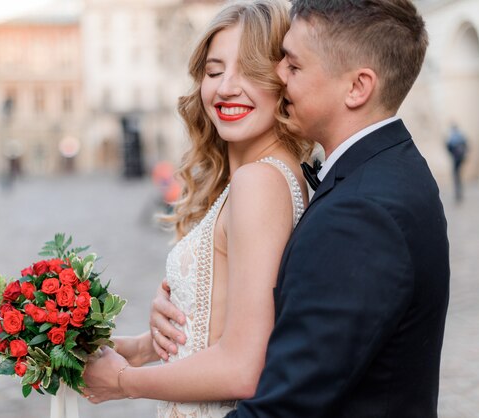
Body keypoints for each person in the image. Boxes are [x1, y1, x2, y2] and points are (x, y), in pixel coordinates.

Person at [151, 1, 450, 417]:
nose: (279, 77)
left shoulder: (361, 211)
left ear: (357, 87)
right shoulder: (378, 173)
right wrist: (183, 318)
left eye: (292, 66)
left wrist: (120, 381)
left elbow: (287, 402)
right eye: (214, 71)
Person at [82, 1, 313, 416]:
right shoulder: (264, 176)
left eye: (250, 70)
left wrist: (122, 382)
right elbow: (224, 323)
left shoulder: (259, 182)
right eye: (214, 70)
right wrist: (138, 349)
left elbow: (244, 366)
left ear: (284, 80)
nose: (226, 87)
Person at [446, 123, 468, 203]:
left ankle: (457, 193)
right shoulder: (461, 136)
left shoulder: (452, 136)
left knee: (456, 176)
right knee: (458, 176)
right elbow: (466, 146)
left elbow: (448, 146)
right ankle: (459, 193)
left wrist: (452, 154)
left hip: (456, 159)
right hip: (460, 158)